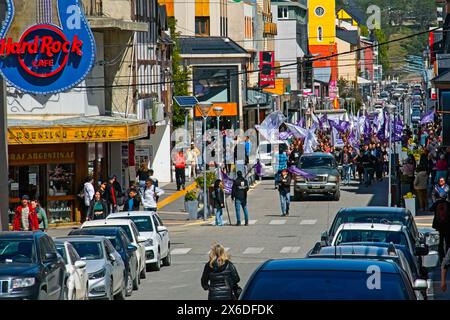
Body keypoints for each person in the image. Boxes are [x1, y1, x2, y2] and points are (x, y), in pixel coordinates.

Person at [431, 177, 450, 261]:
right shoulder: (448, 204)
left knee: (440, 240)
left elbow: (430, 209)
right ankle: (448, 256)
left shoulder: (436, 203)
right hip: (447, 224)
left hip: (439, 224)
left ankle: (441, 256)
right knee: (448, 240)